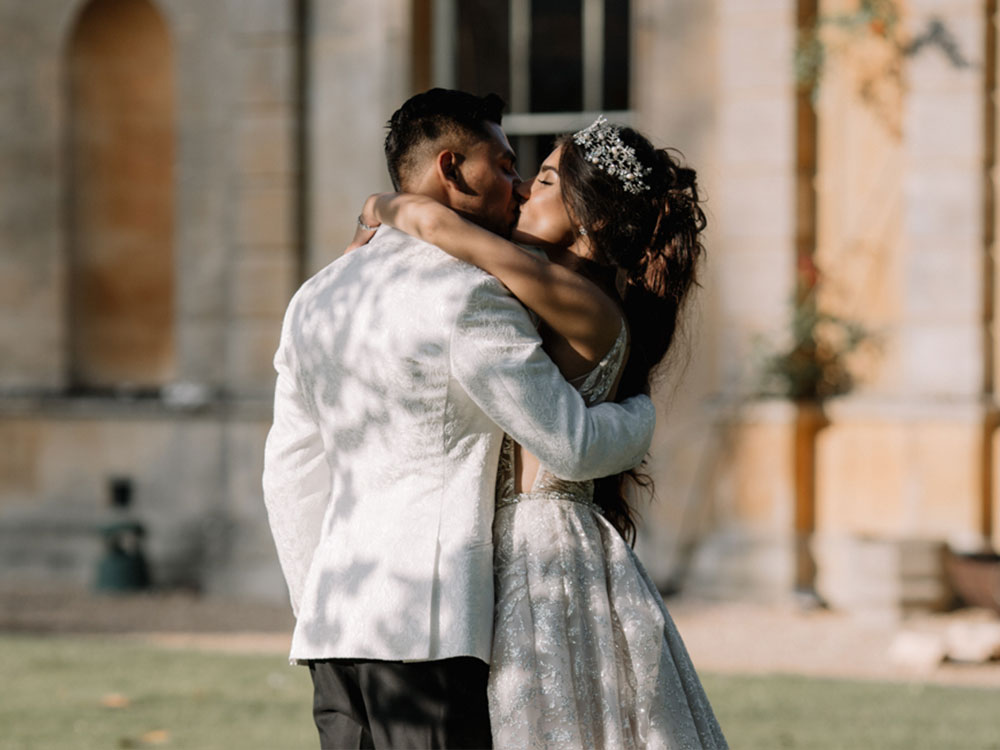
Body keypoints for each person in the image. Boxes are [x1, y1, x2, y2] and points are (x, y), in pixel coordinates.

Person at [262, 89, 657, 750]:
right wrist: (641, 417)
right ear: (452, 169)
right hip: (428, 626)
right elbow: (567, 441)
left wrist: (318, 604)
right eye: (502, 166)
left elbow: (289, 473)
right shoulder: (469, 294)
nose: (518, 183)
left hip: (333, 625)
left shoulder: (316, 294)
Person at [354, 115, 729, 748]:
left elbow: (441, 226)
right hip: (514, 532)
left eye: (548, 179)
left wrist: (377, 206)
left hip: (541, 544)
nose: (525, 189)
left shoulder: (579, 300)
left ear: (596, 216)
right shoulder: (554, 288)